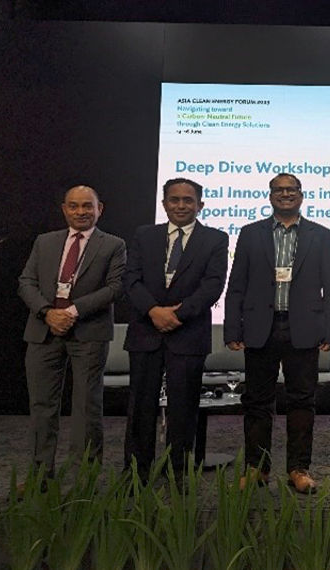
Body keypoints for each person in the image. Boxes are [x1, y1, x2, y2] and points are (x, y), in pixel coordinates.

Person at [224, 173, 330, 492]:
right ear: (270, 195)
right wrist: (232, 326)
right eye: (279, 190)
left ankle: (299, 469)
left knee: (302, 401)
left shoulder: (321, 235)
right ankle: (257, 468)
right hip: (261, 327)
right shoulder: (250, 234)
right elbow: (237, 285)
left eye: (291, 190)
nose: (285, 194)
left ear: (301, 196)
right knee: (257, 401)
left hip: (303, 327)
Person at [17, 185, 126, 484]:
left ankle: (84, 478)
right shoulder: (45, 242)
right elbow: (26, 281)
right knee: (41, 406)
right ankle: (40, 475)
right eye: (74, 206)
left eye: (87, 206)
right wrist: (47, 312)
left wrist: (72, 312)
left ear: (99, 209)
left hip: (88, 331)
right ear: (64, 209)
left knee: (86, 407)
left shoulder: (114, 245)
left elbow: (115, 288)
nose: (81, 212)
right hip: (43, 330)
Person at [122, 178, 228, 480]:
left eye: (188, 200)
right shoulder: (144, 235)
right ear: (164, 203)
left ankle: (178, 473)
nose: (181, 205)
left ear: (200, 205)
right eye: (174, 200)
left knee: (184, 410)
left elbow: (212, 286)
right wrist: (154, 311)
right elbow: (131, 280)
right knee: (140, 409)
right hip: (146, 332)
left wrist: (176, 315)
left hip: (188, 334)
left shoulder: (215, 239)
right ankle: (135, 474)